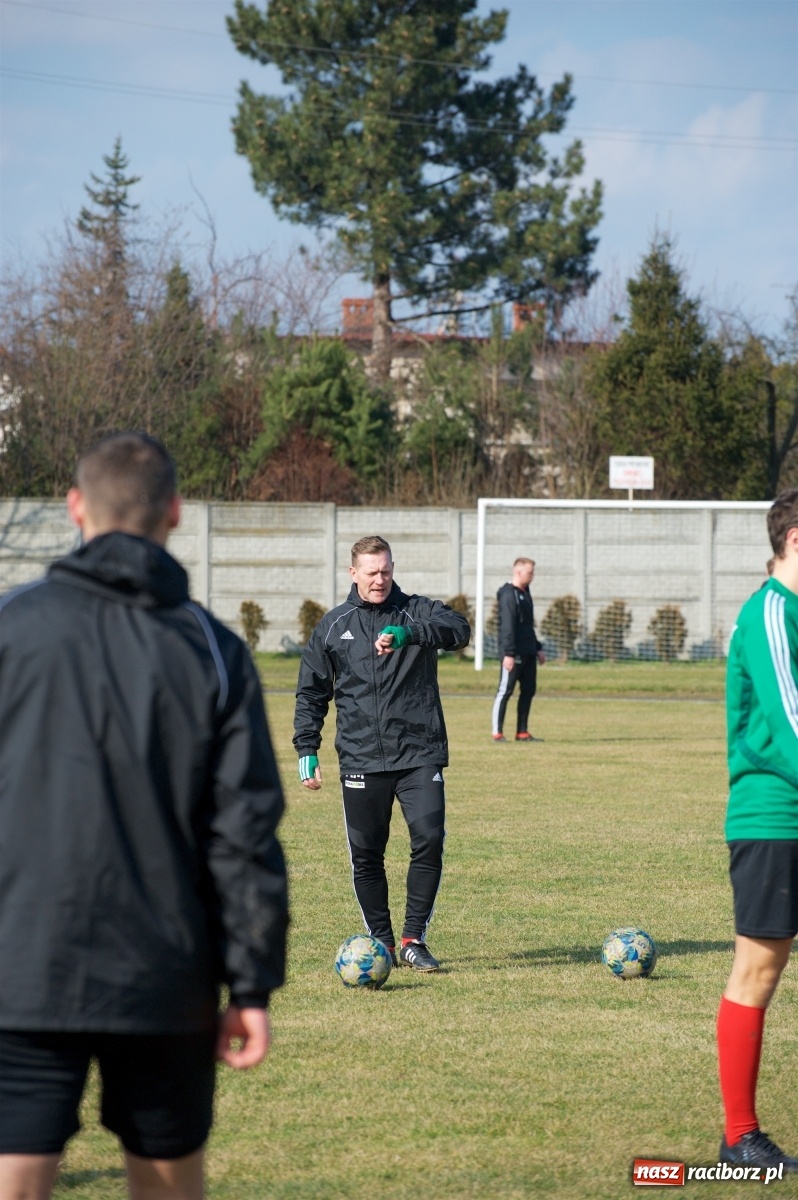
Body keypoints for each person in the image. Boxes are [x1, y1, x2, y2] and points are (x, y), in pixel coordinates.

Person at [0, 433, 289, 1200]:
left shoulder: (9, 626)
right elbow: (244, 833)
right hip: (164, 977)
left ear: (73, 508)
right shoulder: (213, 648)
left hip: (22, 967)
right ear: (175, 512)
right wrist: (251, 987)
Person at [294, 535, 470, 972]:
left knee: (428, 841)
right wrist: (306, 747)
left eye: (386, 570)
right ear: (353, 573)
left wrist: (410, 633)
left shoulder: (416, 610)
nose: (380, 580)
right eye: (371, 572)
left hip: (419, 752)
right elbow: (312, 692)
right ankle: (383, 944)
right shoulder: (334, 626)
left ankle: (413, 939)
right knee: (367, 855)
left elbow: (459, 630)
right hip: (361, 757)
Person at [717, 488, 798, 1172]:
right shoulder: (770, 613)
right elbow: (791, 723)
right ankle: (739, 1136)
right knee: (758, 969)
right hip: (777, 818)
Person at [491, 557, 546, 743]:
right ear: (518, 572)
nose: (533, 576)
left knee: (528, 690)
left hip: (528, 651)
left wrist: (538, 647)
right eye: (530, 573)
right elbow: (508, 626)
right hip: (513, 654)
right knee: (505, 691)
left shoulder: (525, 592)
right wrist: (508, 653)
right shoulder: (508, 594)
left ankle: (522, 731)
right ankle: (497, 732)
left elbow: (527, 625)